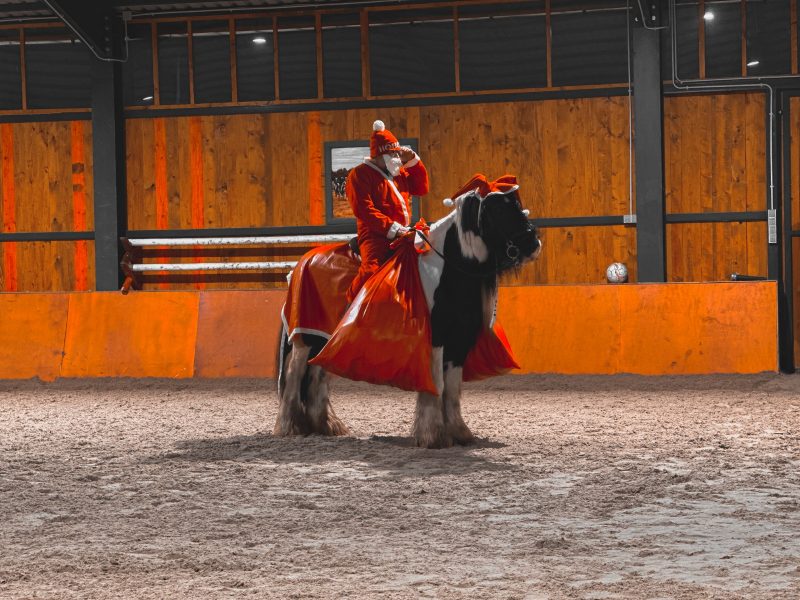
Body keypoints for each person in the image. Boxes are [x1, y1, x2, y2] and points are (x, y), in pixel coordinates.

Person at [345, 119, 429, 302]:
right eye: (393, 154)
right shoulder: (359, 175)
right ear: (379, 155)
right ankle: (350, 308)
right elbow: (364, 210)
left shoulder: (398, 174)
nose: (397, 159)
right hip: (376, 236)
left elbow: (422, 188)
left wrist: (413, 161)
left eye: (398, 154)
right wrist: (393, 228)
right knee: (371, 272)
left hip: (404, 234)